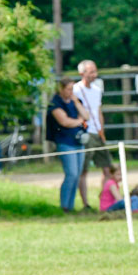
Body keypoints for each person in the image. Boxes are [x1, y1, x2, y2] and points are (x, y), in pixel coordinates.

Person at [73, 60, 113, 212]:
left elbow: (98, 111)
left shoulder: (97, 90)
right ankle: (85, 204)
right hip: (85, 132)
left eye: (95, 71)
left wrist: (102, 130)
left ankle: (105, 201)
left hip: (97, 132)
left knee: (107, 168)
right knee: (84, 170)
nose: (94, 75)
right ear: (82, 73)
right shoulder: (76, 90)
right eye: (91, 72)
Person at [49, 77, 89, 213]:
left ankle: (70, 206)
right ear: (61, 89)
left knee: (77, 175)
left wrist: (76, 103)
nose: (71, 92)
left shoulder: (76, 101)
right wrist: (79, 121)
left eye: (72, 89)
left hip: (78, 142)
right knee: (71, 174)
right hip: (65, 142)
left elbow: (86, 116)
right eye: (68, 89)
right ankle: (64, 206)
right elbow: (64, 122)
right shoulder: (55, 103)